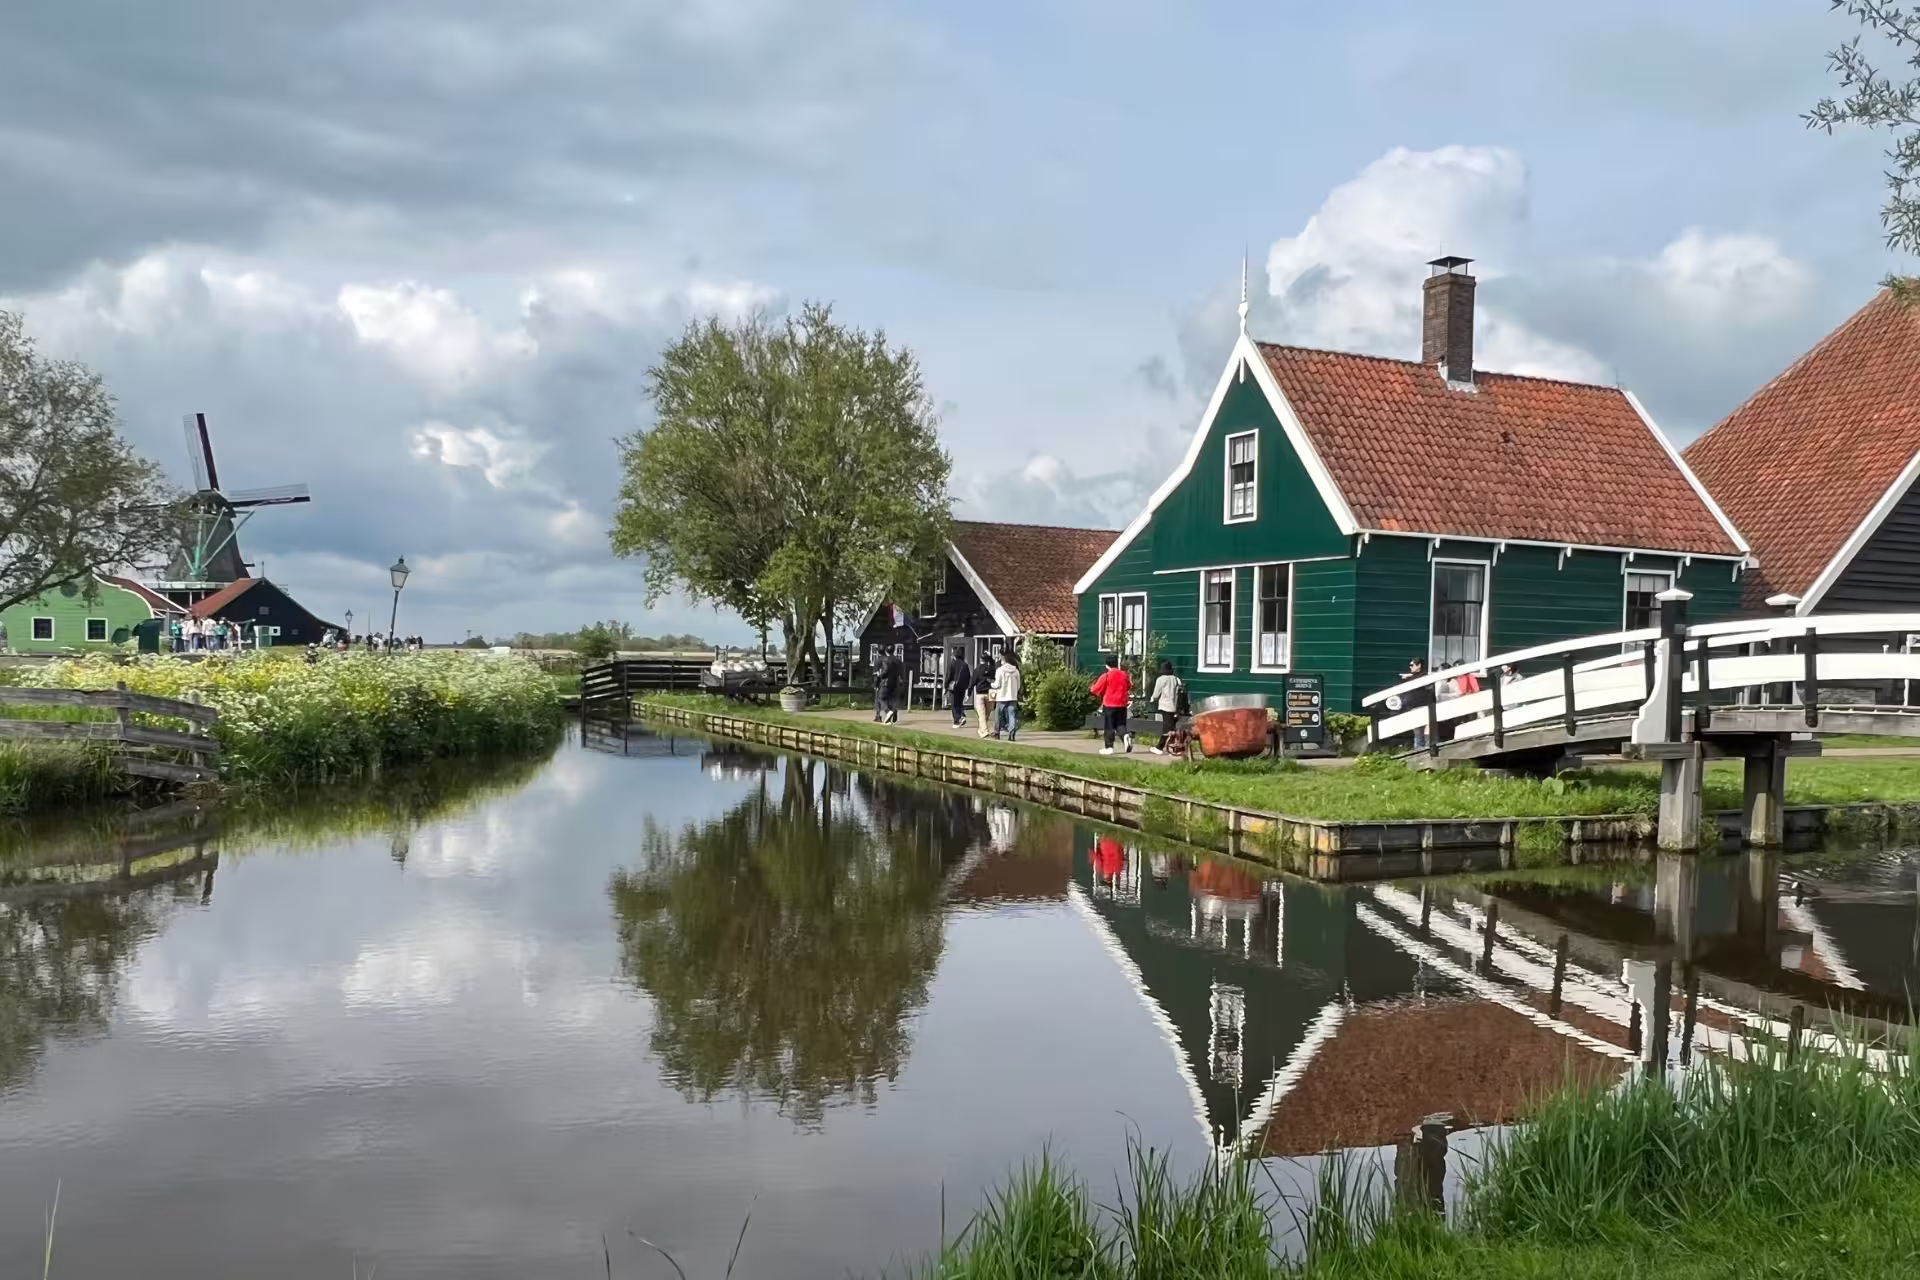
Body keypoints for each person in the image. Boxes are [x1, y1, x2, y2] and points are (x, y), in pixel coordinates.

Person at [1090, 653, 1134, 754]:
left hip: (1109, 704)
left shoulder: (1106, 676)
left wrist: (1092, 688)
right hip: (1122, 704)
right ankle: (1125, 736)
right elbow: (1129, 686)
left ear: (1106, 665)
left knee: (1109, 726)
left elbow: (1095, 689)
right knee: (1121, 724)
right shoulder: (1124, 675)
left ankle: (1109, 747)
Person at [1148, 660, 1184, 755]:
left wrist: (1152, 699)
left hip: (1165, 706)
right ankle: (1173, 747)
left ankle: (1160, 747)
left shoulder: (1161, 679)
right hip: (1175, 707)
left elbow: (1156, 694)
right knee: (1172, 727)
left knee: (1166, 728)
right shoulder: (1177, 679)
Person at [990, 650, 1022, 740]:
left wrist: (991, 684)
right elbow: (1018, 685)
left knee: (998, 715)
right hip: (1012, 696)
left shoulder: (999, 670)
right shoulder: (1016, 671)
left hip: (1002, 696)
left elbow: (997, 685)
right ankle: (1011, 734)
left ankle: (997, 732)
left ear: (1004, 660)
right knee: (1012, 715)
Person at [971, 653, 996, 739]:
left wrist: (968, 693)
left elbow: (973, 682)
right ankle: (982, 730)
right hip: (990, 693)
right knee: (987, 713)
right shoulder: (992, 669)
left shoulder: (977, 670)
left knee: (981, 713)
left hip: (980, 693)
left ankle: (984, 731)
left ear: (980, 659)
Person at [945, 651, 972, 728]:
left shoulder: (951, 664)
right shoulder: (965, 665)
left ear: (954, 656)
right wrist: (966, 686)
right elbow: (968, 677)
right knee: (960, 702)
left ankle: (956, 721)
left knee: (954, 704)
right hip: (962, 687)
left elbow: (948, 676)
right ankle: (962, 715)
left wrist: (946, 686)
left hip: (953, 687)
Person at [881, 650, 906, 724]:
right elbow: (902, 672)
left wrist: (880, 675)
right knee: (893, 698)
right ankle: (893, 710)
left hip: (887, 682)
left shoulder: (886, 660)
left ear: (886, 651)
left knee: (882, 698)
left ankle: (888, 711)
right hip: (896, 682)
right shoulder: (899, 661)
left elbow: (886, 671)